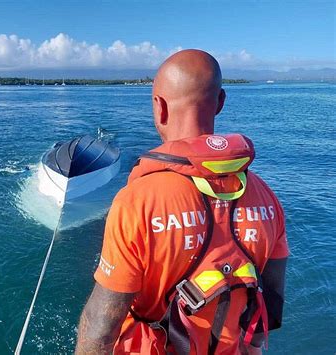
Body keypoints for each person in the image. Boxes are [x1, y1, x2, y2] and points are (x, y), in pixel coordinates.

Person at [75, 49, 288, 355]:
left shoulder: (137, 202)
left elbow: (100, 327)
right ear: (220, 103)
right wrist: (253, 348)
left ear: (159, 107)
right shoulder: (267, 198)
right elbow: (273, 296)